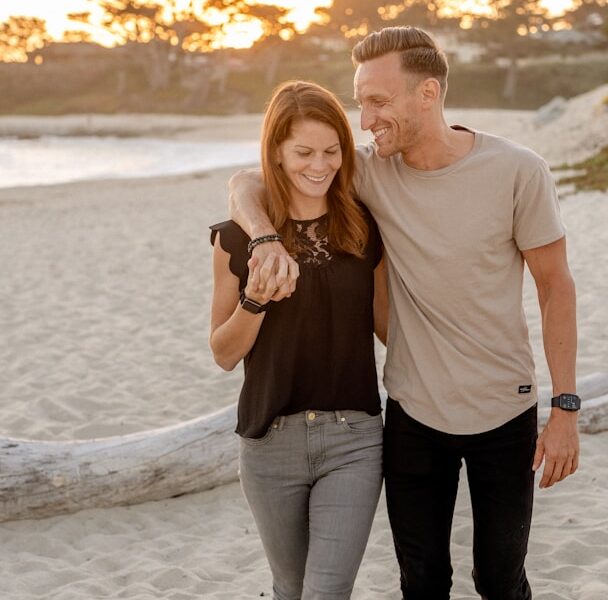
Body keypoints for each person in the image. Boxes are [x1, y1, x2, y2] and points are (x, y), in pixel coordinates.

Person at [228, 27, 580, 600]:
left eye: (379, 102)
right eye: (362, 102)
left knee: (500, 578)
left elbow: (555, 287)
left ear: (428, 94)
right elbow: (247, 182)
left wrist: (565, 407)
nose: (365, 121)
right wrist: (265, 240)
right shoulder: (368, 172)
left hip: (504, 409)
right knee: (421, 581)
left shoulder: (520, 170)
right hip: (413, 416)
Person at [209, 80, 388, 600]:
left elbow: (387, 328)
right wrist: (256, 300)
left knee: (327, 589)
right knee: (290, 588)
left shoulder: (364, 229)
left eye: (332, 151)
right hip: (269, 442)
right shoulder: (236, 239)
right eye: (304, 152)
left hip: (353, 437)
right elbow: (223, 353)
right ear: (277, 154)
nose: (320, 164)